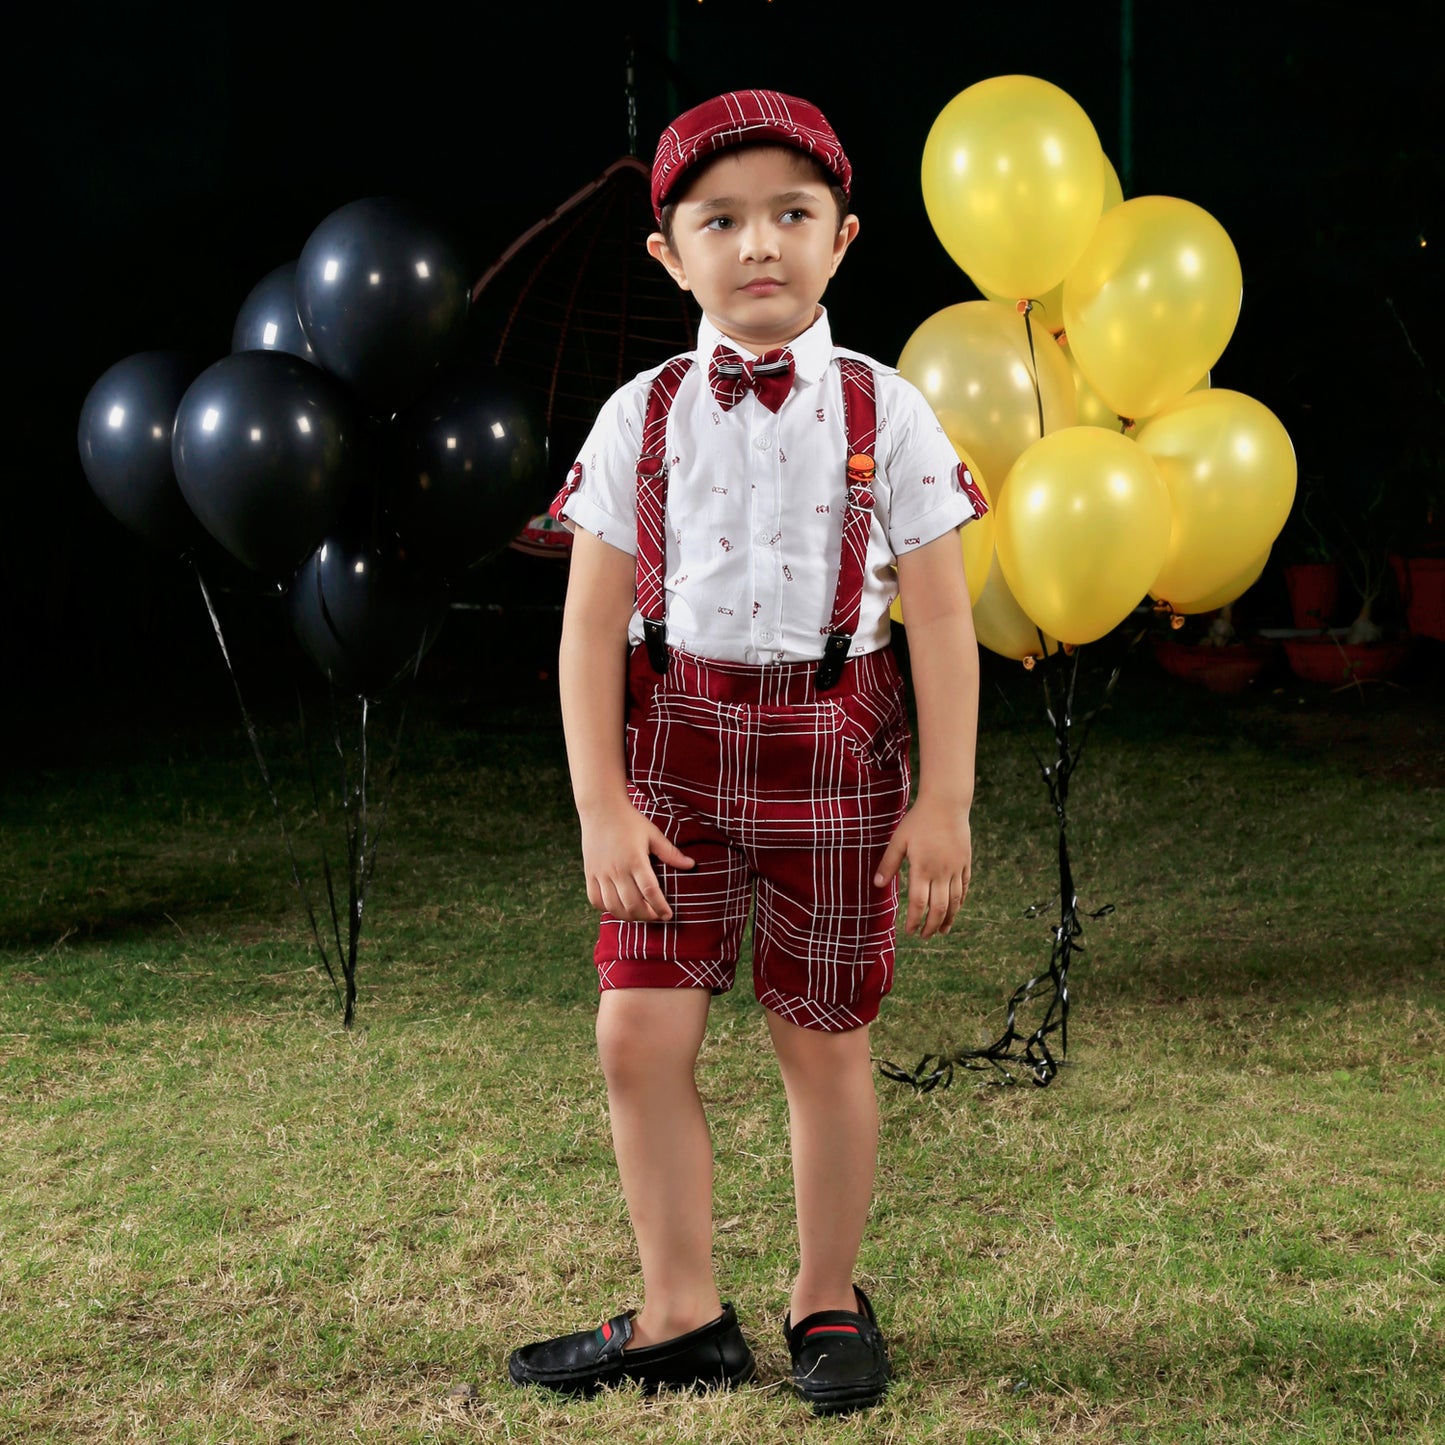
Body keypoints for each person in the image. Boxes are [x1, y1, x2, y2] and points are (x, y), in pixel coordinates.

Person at [507, 88, 984, 1416]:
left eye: (791, 213)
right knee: (636, 1033)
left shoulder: (890, 411)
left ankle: (825, 1297)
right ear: (669, 255)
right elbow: (588, 628)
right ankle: (679, 1311)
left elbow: (945, 621)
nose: (759, 242)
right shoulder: (639, 413)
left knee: (820, 1040)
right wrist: (601, 804)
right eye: (720, 221)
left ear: (842, 238)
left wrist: (944, 798)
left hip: (838, 760)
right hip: (671, 759)